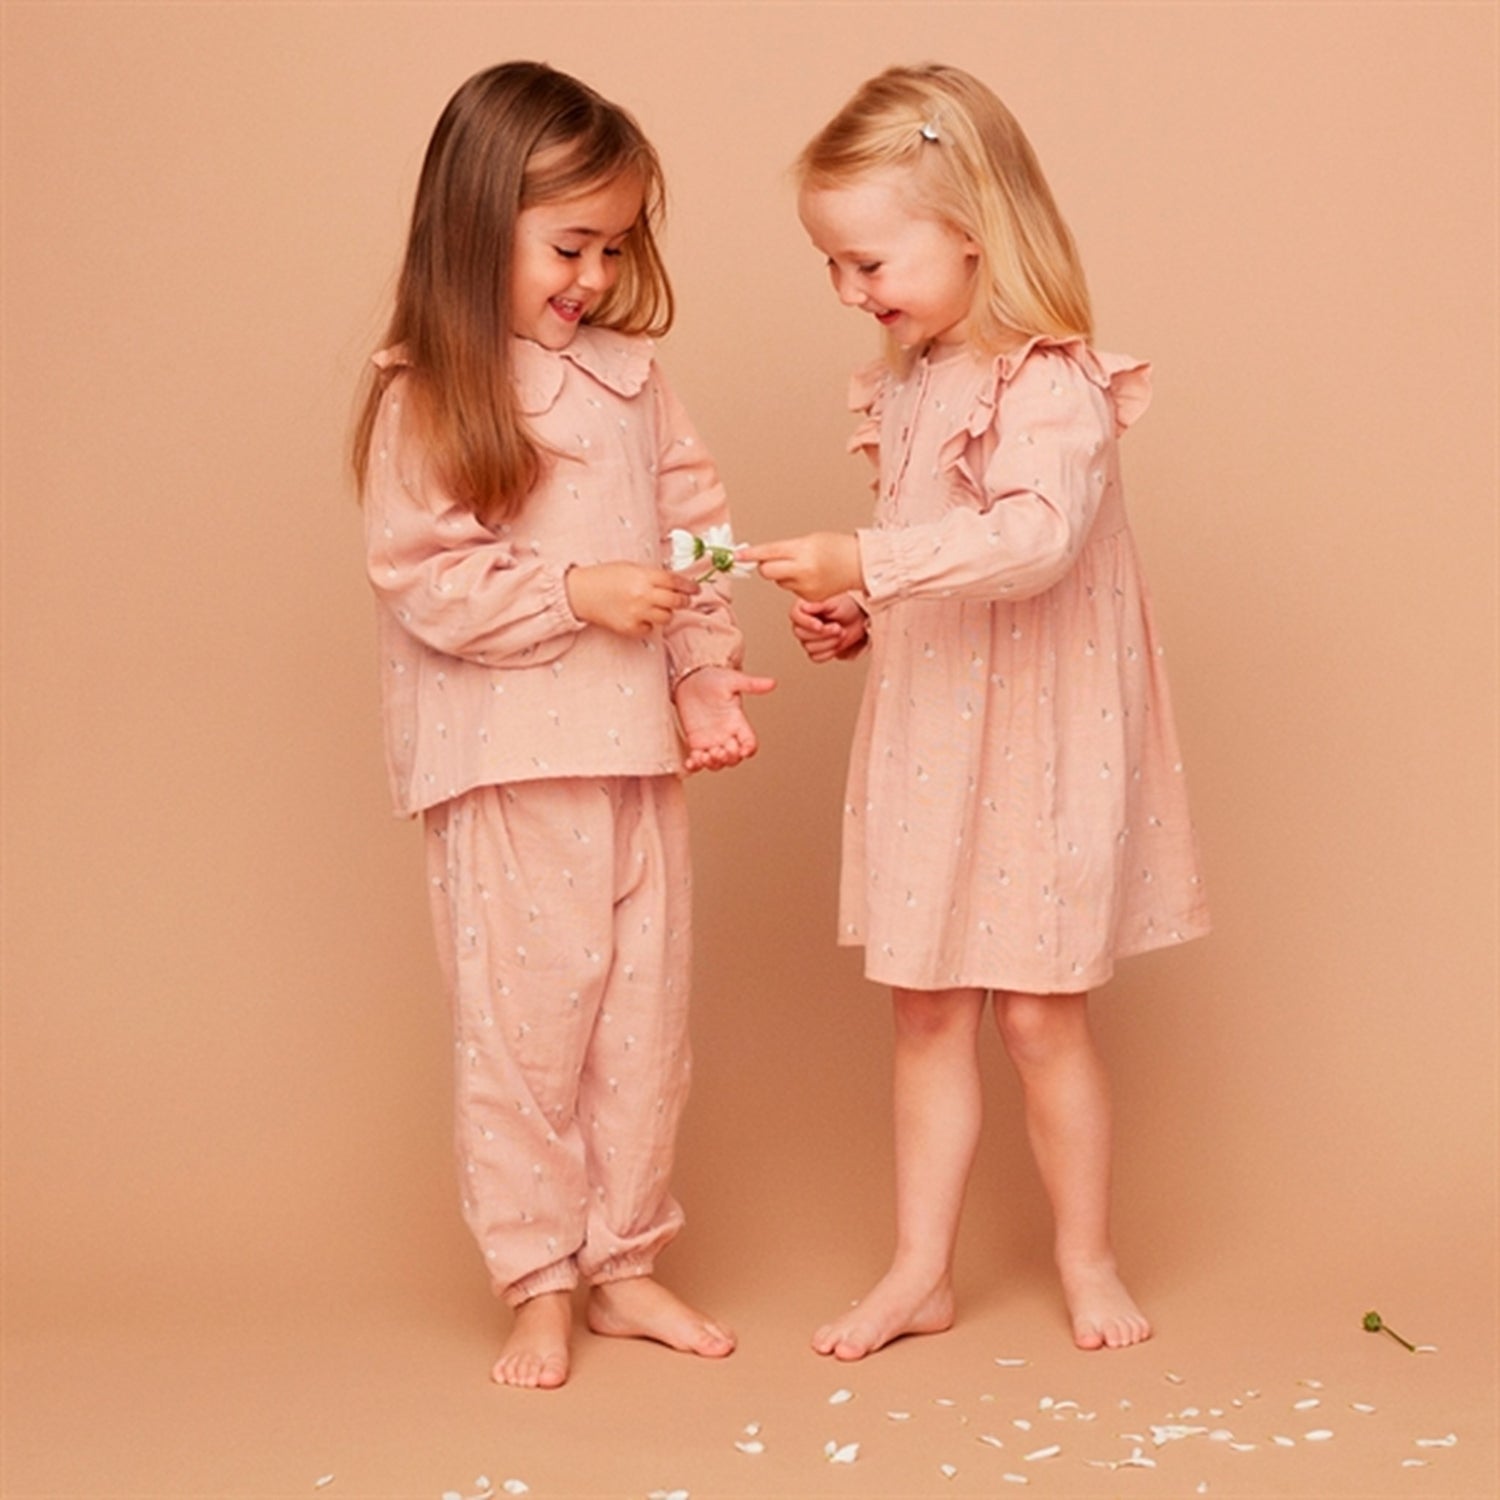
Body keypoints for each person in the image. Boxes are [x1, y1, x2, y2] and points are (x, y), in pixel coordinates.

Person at [744, 63, 1208, 1357]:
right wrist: (861, 607)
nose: (852, 292)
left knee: (1044, 1017)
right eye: (833, 268)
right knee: (928, 1007)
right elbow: (932, 553)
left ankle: (1087, 1259)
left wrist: (870, 560)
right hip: (937, 736)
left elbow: (1033, 541)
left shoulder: (1050, 384)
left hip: (1044, 743)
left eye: (868, 261)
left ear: (971, 230)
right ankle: (920, 1271)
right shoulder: (907, 384)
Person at [352, 61, 773, 1389]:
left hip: (632, 758)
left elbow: (697, 531)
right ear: (479, 223)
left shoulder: (634, 380)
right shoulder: (431, 389)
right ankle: (537, 1279)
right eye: (569, 245)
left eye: (615, 247)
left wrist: (702, 669)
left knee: (644, 1031)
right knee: (526, 1036)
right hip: (508, 765)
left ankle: (624, 1264)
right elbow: (425, 578)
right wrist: (577, 591)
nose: (593, 275)